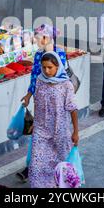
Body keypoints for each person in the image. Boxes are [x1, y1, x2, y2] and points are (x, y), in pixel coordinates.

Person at [18, 24, 67, 183]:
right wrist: (29, 95)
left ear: (46, 38)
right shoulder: (38, 54)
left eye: (37, 37)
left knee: (56, 138)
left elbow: (62, 79)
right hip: (40, 103)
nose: (35, 40)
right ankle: (32, 167)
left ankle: (58, 172)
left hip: (57, 104)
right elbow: (34, 77)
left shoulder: (59, 54)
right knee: (38, 135)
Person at [27, 51, 79, 188]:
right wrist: (35, 123)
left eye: (50, 67)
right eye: (44, 67)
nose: (46, 70)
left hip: (60, 130)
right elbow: (37, 103)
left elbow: (73, 109)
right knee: (36, 164)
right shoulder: (39, 80)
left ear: (57, 67)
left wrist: (75, 132)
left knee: (62, 164)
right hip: (41, 129)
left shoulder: (66, 85)